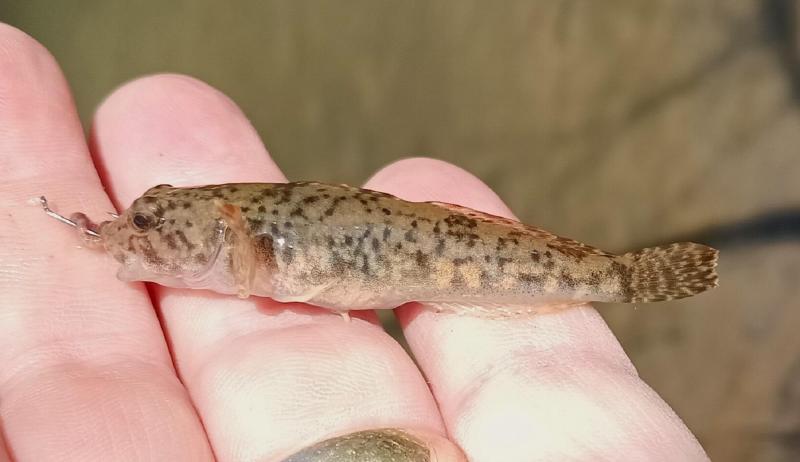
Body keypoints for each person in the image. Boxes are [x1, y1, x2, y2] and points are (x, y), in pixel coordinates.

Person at [0, 24, 708, 461]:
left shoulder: (238, 243)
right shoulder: (222, 234)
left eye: (151, 227)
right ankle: (616, 275)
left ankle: (621, 277)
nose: (134, 236)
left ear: (229, 238)